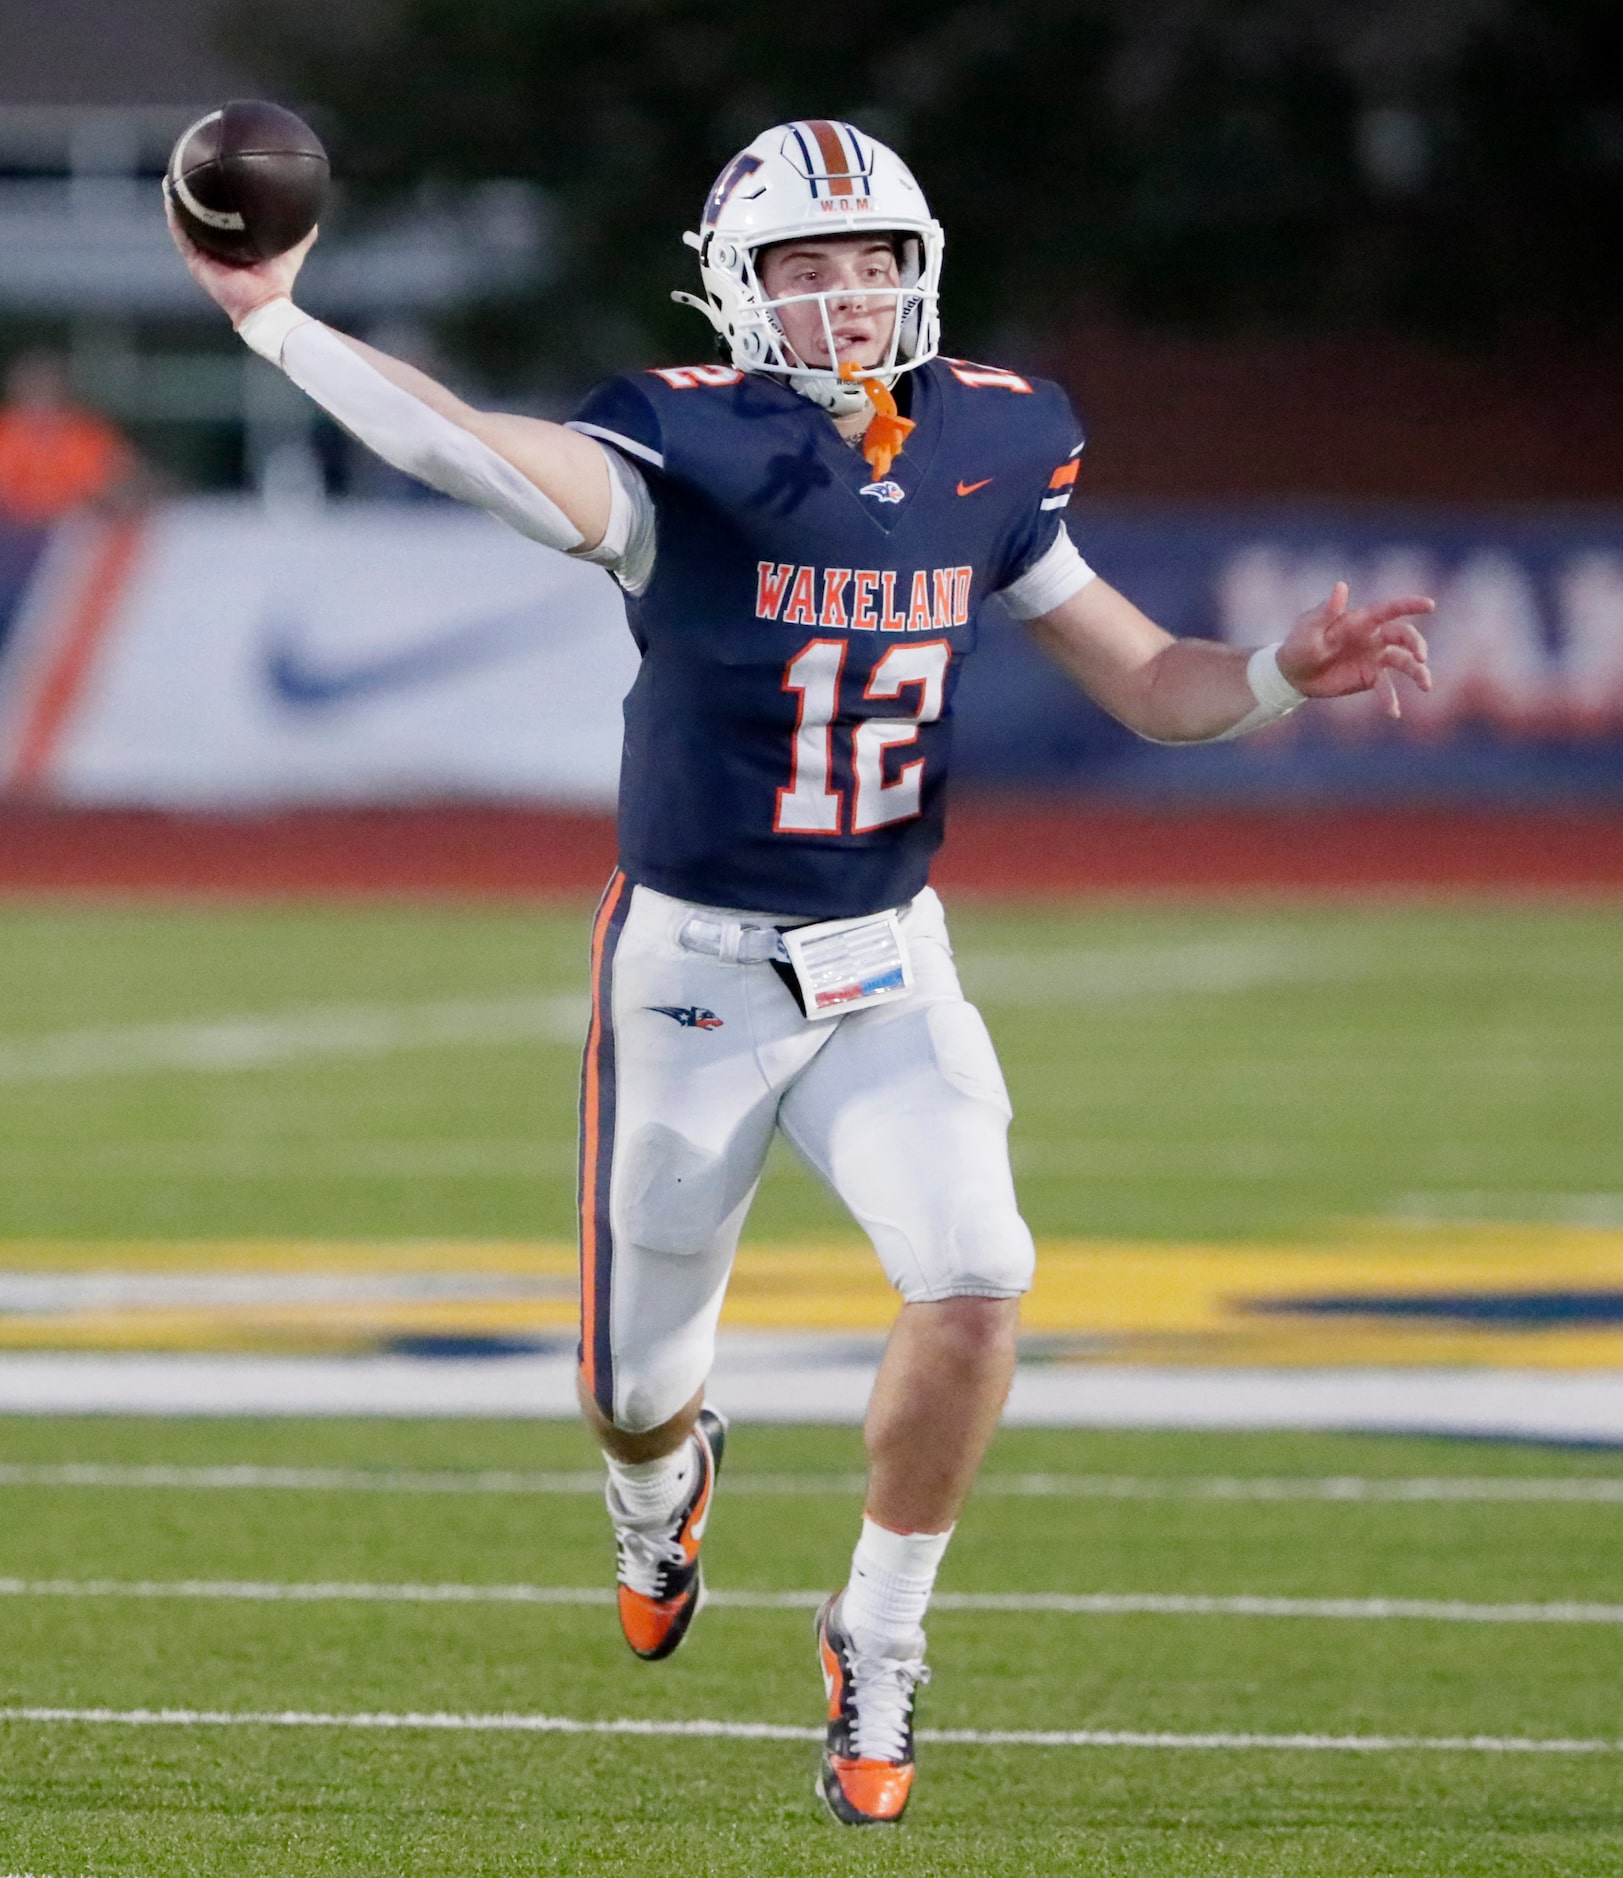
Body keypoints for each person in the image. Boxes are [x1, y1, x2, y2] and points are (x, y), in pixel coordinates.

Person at [167, 118, 1432, 1827]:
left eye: (869, 261)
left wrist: (1279, 671)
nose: (845, 297)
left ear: (916, 270)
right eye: (801, 266)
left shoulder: (998, 433)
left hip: (887, 958)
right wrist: (275, 322)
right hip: (690, 970)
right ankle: (658, 1489)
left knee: (978, 1275)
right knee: (628, 1389)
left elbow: (1152, 680)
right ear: (734, 287)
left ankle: (877, 1632)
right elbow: (470, 447)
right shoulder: (682, 440)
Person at [0, 351, 142, 527]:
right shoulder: (5, 432)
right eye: (33, 388)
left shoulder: (87, 433)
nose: (42, 397)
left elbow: (121, 484)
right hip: (11, 532)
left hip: (74, 532)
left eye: (48, 388)